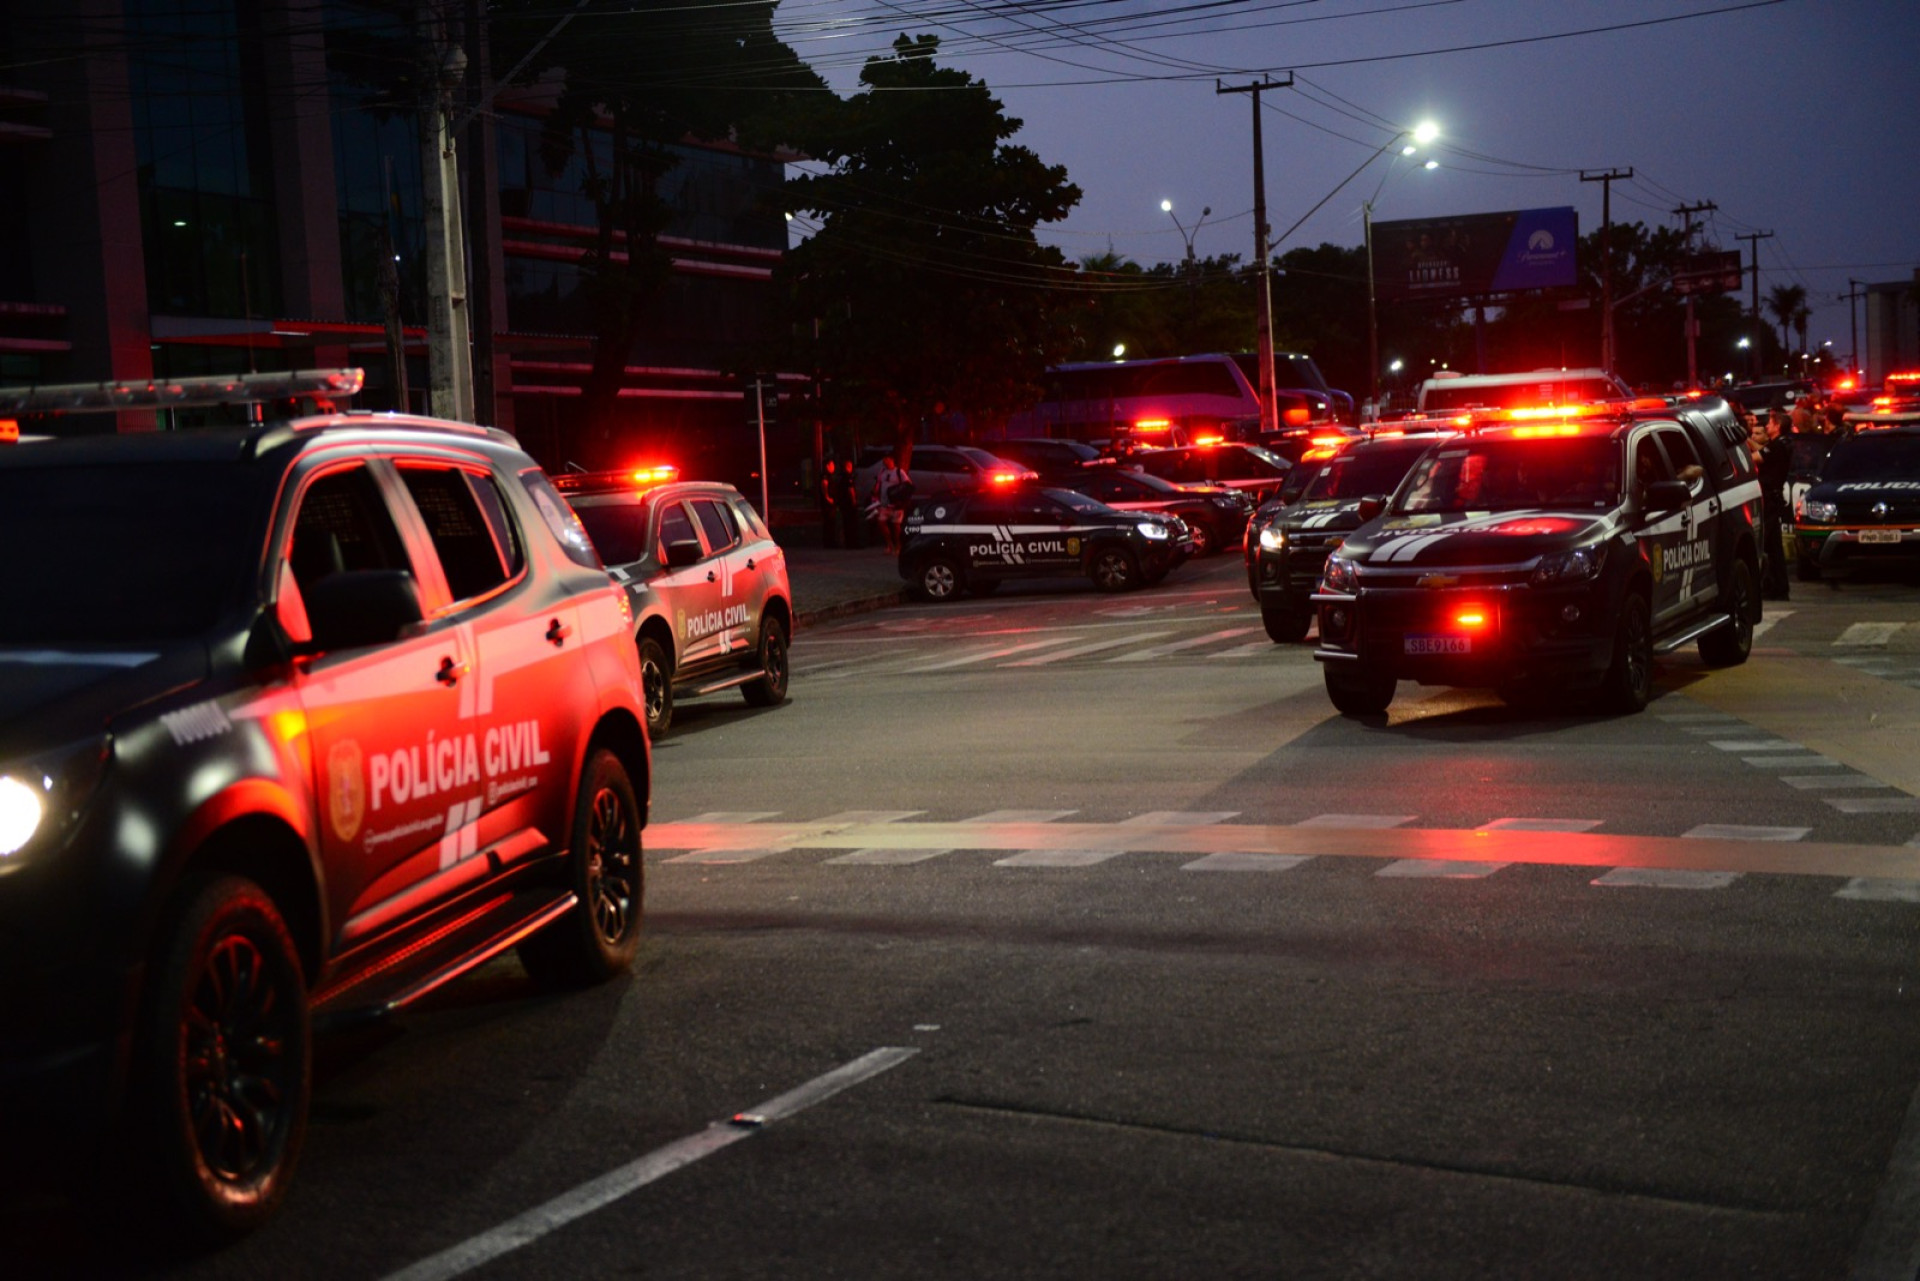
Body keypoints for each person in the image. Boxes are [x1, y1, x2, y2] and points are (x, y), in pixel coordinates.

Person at [1758, 411, 1794, 600]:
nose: (1766, 426)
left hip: (1770, 500)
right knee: (1774, 548)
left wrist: (1742, 440)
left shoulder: (1778, 446)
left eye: (1770, 423)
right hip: (1772, 499)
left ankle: (1772, 585)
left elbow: (1757, 457)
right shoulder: (1779, 445)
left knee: (1765, 544)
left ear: (1778, 426)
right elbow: (1762, 451)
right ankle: (1779, 587)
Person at [870, 451, 912, 555]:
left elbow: (908, 484)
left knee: (896, 526)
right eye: (884, 460)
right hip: (884, 503)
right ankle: (889, 544)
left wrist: (899, 493)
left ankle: (898, 545)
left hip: (896, 504)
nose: (885, 461)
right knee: (881, 523)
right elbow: (878, 484)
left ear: (892, 460)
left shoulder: (899, 472)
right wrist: (875, 492)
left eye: (887, 459)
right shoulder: (882, 472)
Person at [832, 453, 864, 548]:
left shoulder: (840, 477)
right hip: (849, 504)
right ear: (848, 467)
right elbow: (851, 490)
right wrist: (854, 500)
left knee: (846, 524)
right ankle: (853, 543)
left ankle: (848, 543)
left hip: (843, 504)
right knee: (852, 524)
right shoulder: (848, 477)